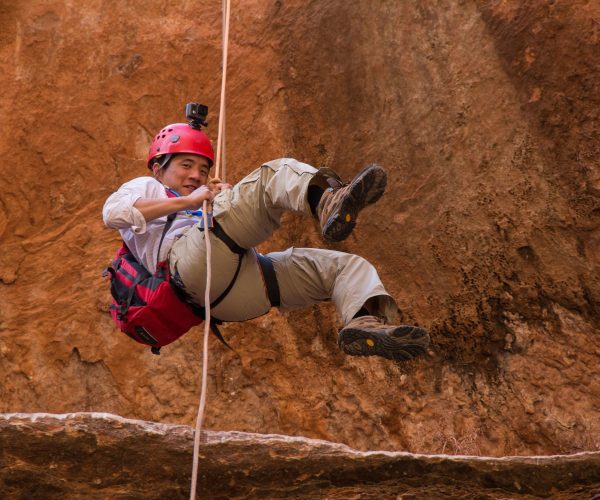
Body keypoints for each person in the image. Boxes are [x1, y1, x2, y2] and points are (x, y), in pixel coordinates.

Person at [102, 118, 430, 362]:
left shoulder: (200, 199)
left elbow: (219, 221)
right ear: (158, 168)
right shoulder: (148, 186)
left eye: (203, 169)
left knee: (344, 267)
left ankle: (364, 322)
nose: (196, 175)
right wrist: (189, 202)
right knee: (272, 175)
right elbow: (113, 213)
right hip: (187, 269)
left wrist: (224, 199)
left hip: (234, 295)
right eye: (186, 165)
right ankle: (328, 200)